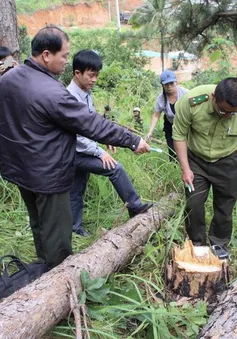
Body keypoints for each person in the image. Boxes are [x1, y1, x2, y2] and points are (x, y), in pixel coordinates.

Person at [0, 26, 150, 269]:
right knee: (58, 234)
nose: (67, 62)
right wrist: (132, 140)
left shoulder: (8, 79)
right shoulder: (52, 92)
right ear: (47, 55)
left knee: (38, 222)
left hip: (19, 169)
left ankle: (42, 268)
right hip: (47, 174)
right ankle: (57, 279)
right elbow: (91, 124)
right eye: (65, 56)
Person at [67, 50, 153, 236]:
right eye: (91, 75)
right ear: (77, 73)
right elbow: (77, 135)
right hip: (74, 151)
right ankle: (135, 206)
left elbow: (90, 123)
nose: (94, 80)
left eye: (97, 75)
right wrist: (99, 152)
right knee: (114, 168)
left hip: (79, 150)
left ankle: (74, 228)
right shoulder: (70, 97)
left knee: (76, 189)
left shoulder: (85, 93)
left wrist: (105, 139)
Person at [173, 78, 237, 258]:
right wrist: (186, 169)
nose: (226, 116)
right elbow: (179, 135)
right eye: (223, 110)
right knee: (194, 203)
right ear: (213, 97)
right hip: (196, 160)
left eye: (232, 114)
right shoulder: (192, 101)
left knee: (225, 207)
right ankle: (197, 245)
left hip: (228, 160)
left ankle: (219, 244)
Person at [146, 70, 188, 162]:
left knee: (187, 147)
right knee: (173, 149)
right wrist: (150, 131)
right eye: (166, 84)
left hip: (185, 124)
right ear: (162, 85)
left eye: (171, 83)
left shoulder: (185, 93)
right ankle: (174, 166)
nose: (169, 87)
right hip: (170, 125)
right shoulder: (161, 99)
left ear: (176, 82)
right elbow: (156, 115)